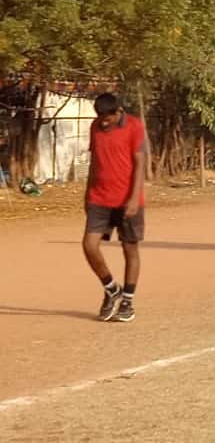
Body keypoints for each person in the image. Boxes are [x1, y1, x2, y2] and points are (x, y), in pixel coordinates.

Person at [82, 93, 146, 323]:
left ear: (118, 111)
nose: (103, 122)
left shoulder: (134, 126)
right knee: (89, 245)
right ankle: (111, 288)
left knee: (130, 248)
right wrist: (87, 194)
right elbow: (94, 161)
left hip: (127, 199)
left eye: (107, 117)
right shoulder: (95, 127)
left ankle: (127, 299)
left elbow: (140, 164)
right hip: (99, 198)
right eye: (100, 117)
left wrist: (133, 198)